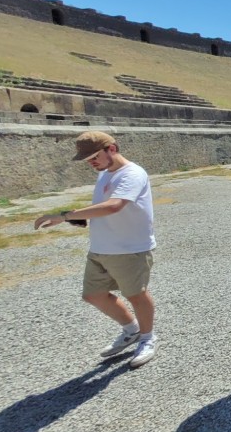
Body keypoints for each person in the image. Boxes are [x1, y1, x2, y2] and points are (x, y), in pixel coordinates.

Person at [34, 131, 159, 368]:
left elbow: (114, 206)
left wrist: (63, 216)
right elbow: (101, 208)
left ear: (111, 149)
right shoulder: (104, 174)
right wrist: (78, 219)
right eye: (87, 159)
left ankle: (148, 337)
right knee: (93, 295)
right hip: (101, 247)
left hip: (129, 248)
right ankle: (131, 330)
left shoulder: (132, 173)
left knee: (136, 294)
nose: (91, 163)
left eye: (94, 157)